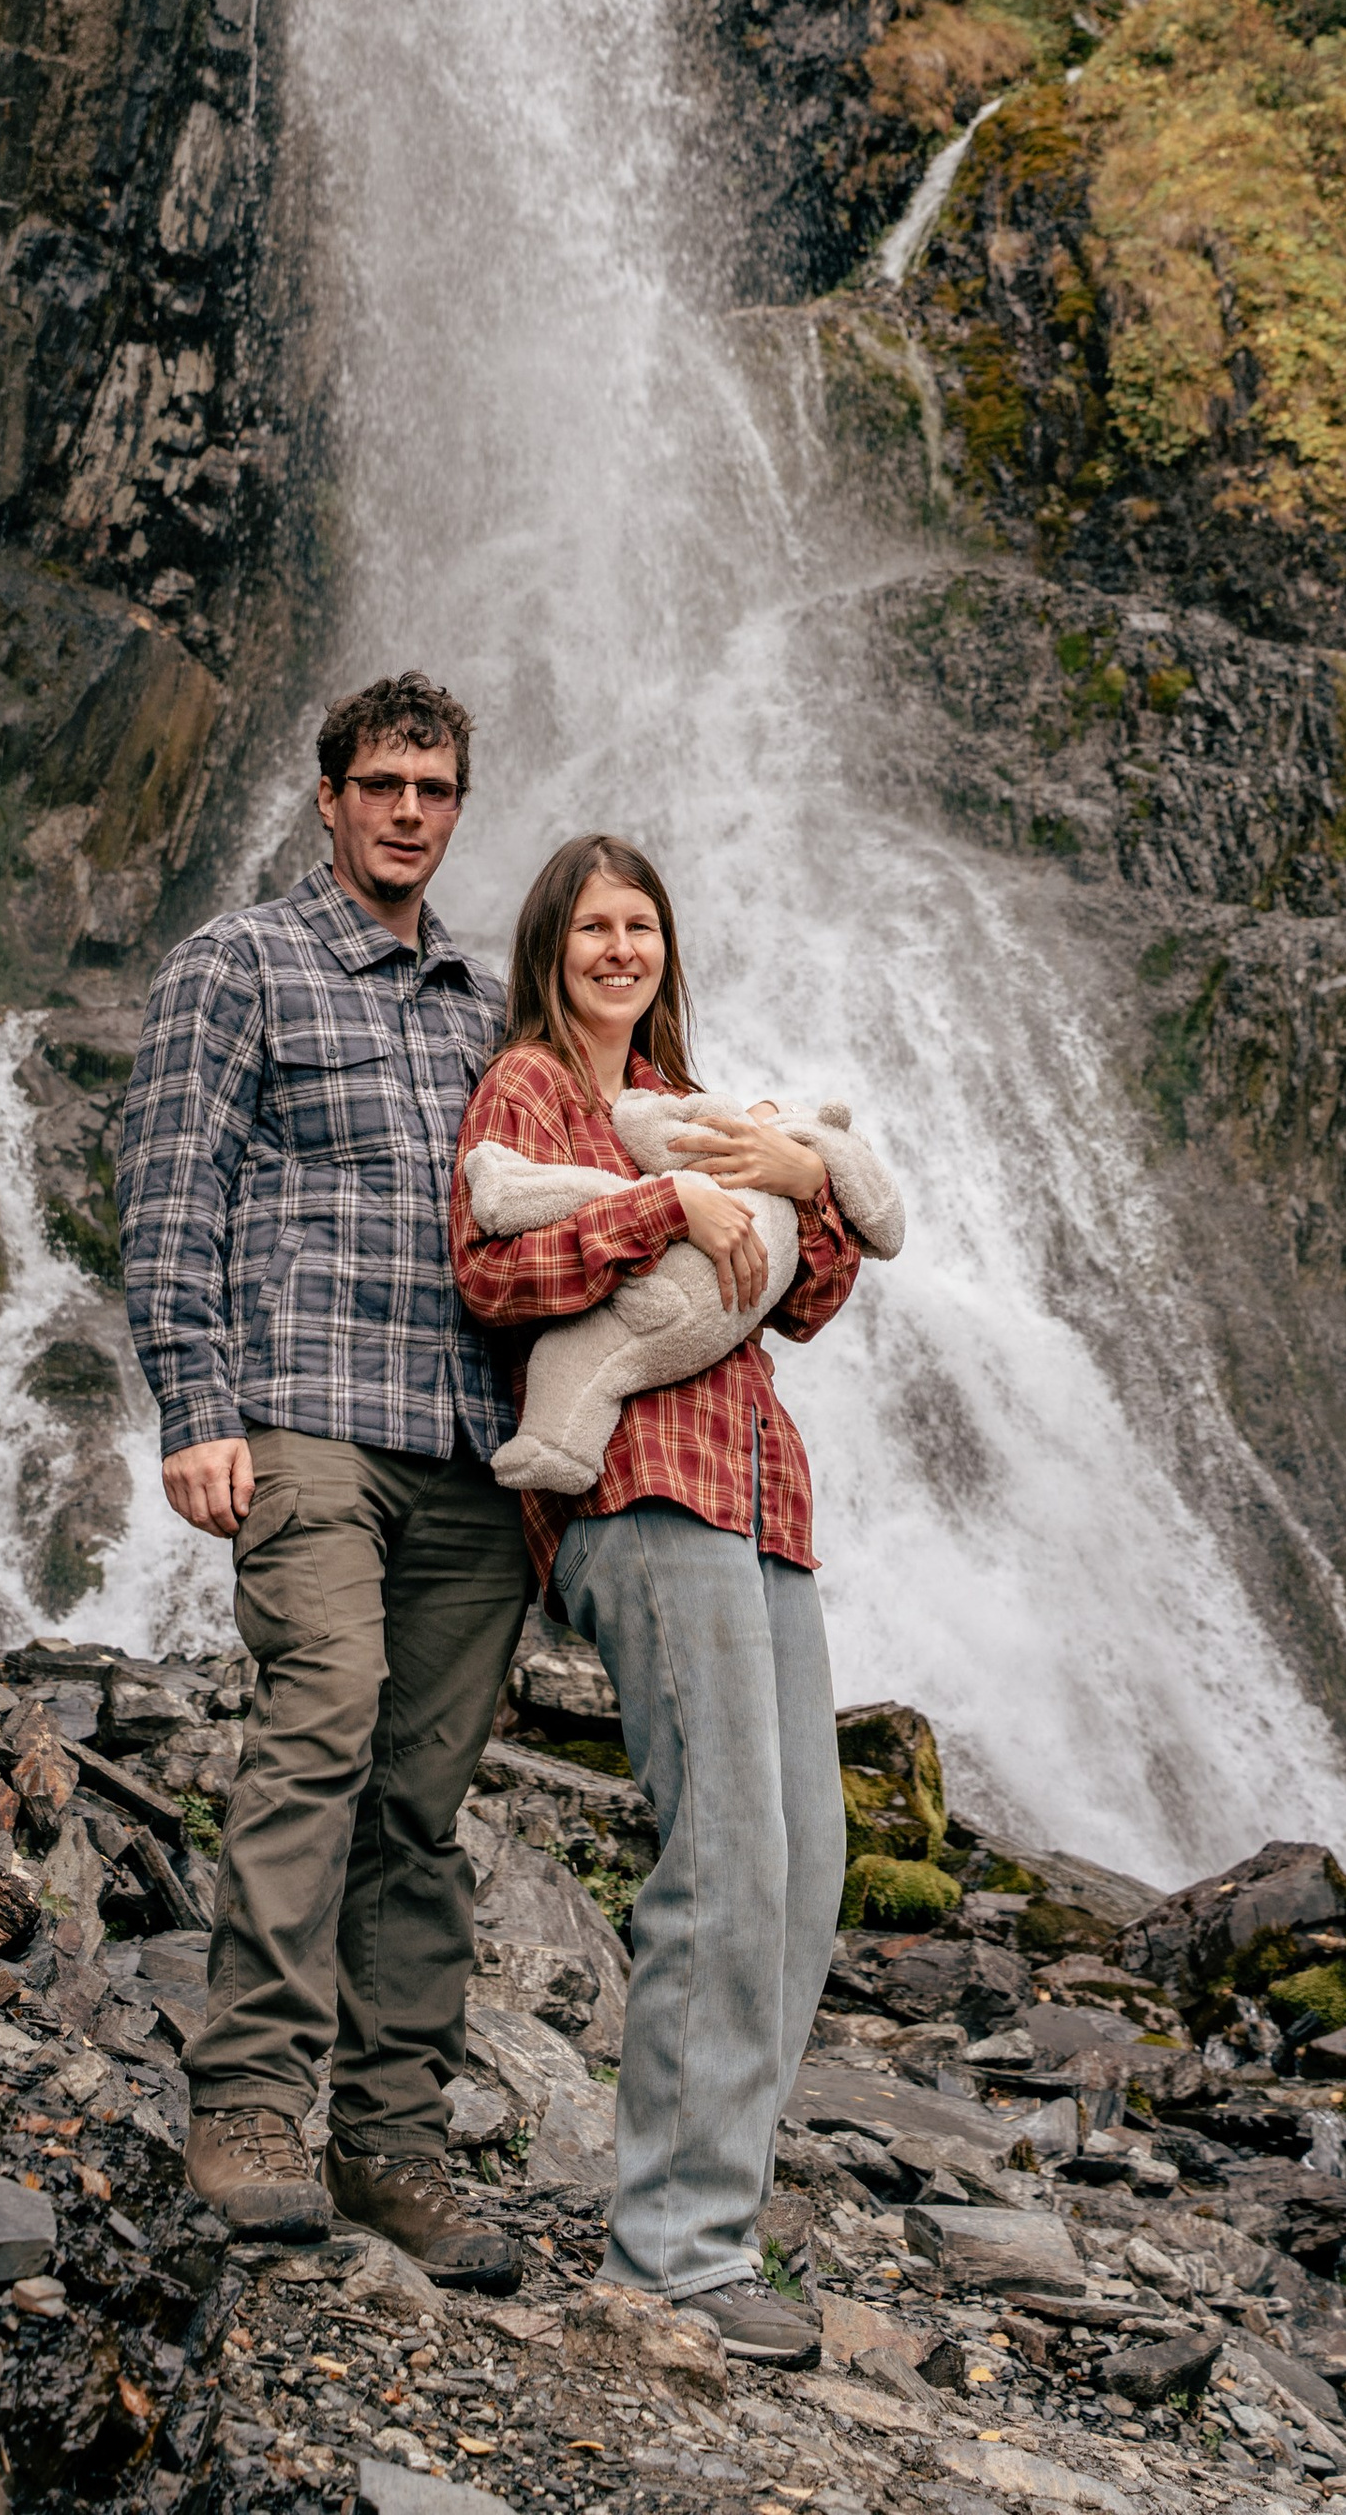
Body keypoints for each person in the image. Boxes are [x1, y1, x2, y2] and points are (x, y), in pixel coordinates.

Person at [119, 671, 529, 2284]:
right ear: (330, 797)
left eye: (434, 786)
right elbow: (167, 1190)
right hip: (303, 1421)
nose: (408, 809)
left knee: (421, 1810)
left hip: (472, 1459)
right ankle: (245, 2108)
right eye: (383, 783)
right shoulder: (241, 966)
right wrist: (193, 1409)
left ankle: (394, 2145)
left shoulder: (493, 1009)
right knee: (320, 1727)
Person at [449, 833, 858, 2367]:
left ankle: (715, 2215)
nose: (621, 949)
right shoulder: (529, 1094)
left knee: (806, 1861)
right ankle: (672, 2251)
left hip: (763, 1498)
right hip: (636, 1490)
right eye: (595, 926)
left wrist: (799, 1175)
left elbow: (809, 1292)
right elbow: (492, 1275)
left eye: (644, 927)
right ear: (553, 942)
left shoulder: (694, 1101)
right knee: (728, 1853)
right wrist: (662, 1210)